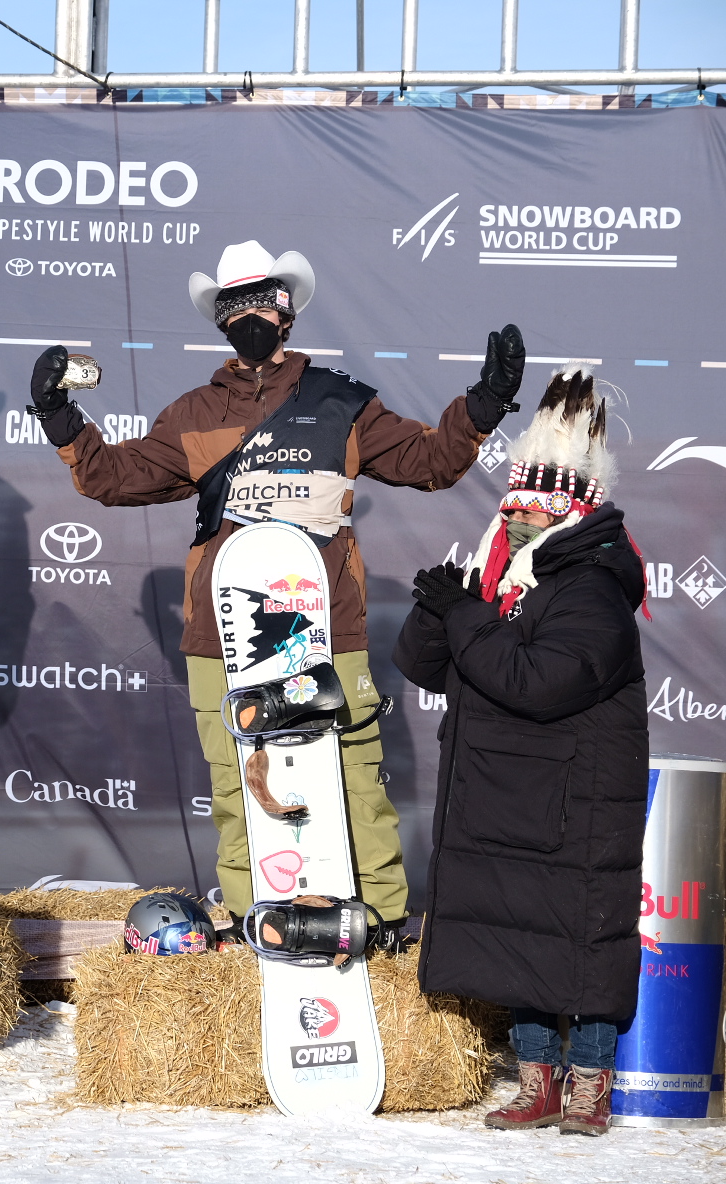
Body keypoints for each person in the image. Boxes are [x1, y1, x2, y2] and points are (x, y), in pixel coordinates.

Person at [26, 239, 525, 935]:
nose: (254, 314)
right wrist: (58, 415)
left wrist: (486, 402)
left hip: (326, 630)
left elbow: (430, 461)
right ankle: (248, 916)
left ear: (290, 315)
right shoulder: (193, 414)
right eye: (237, 304)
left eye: (267, 299)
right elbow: (113, 476)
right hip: (224, 639)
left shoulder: (343, 404)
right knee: (236, 783)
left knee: (354, 779)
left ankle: (379, 921)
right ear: (221, 320)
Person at [395, 366, 647, 1137]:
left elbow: (538, 680)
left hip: (572, 801)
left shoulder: (596, 589)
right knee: (519, 941)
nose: (518, 517)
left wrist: (468, 617)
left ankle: (588, 1088)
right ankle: (537, 1083)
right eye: (513, 504)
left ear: (575, 509)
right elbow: (422, 665)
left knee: (583, 941)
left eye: (538, 506)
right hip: (507, 793)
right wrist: (443, 609)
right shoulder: (502, 572)